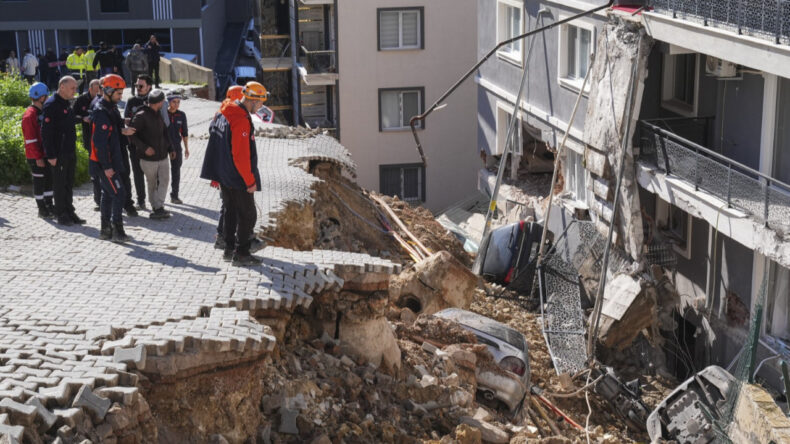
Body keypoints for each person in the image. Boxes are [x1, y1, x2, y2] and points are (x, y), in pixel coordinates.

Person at [200, 81, 267, 266]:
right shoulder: (240, 120)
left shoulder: (224, 112)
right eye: (260, 103)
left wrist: (217, 173)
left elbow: (215, 139)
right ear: (252, 100)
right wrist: (250, 181)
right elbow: (240, 155)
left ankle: (229, 250)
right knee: (248, 214)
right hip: (237, 176)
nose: (260, 107)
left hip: (224, 173)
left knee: (230, 211)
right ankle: (242, 253)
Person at [90, 74, 137, 243]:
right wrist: (107, 166)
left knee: (108, 194)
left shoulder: (111, 108)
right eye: (118, 93)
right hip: (104, 163)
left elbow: (113, 129)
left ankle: (105, 230)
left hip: (111, 160)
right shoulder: (101, 112)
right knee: (119, 193)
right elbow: (100, 143)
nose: (121, 96)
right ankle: (118, 231)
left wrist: (122, 128)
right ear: (108, 91)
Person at [42, 76, 85, 226]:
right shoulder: (51, 105)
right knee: (59, 184)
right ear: (62, 87)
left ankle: (69, 211)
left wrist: (82, 119)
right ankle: (61, 213)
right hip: (58, 152)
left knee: (68, 182)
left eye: (75, 88)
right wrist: (50, 155)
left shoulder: (66, 102)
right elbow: (46, 132)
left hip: (69, 150)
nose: (75, 91)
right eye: (72, 88)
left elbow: (68, 121)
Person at [129, 89, 174, 219]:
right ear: (158, 102)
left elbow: (165, 132)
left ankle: (158, 206)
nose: (164, 103)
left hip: (163, 156)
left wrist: (171, 149)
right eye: (163, 101)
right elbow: (131, 135)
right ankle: (156, 208)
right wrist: (144, 148)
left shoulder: (158, 113)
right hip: (148, 159)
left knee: (165, 180)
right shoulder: (141, 115)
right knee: (152, 183)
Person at [212, 85, 244, 250]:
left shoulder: (220, 113)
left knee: (227, 205)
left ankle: (223, 236)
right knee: (229, 206)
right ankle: (222, 237)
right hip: (229, 169)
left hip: (221, 167)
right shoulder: (231, 115)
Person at [21, 82, 55, 218]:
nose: (48, 98)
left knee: (48, 180)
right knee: (39, 181)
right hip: (36, 156)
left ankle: (49, 205)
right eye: (47, 96)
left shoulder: (41, 111)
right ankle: (41, 208)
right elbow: (30, 140)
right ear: (41, 98)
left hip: (44, 153)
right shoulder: (30, 115)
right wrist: (38, 157)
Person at [73, 78, 104, 211]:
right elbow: (72, 116)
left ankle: (105, 198)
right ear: (90, 89)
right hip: (89, 138)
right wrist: (83, 119)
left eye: (100, 90)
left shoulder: (104, 100)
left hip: (102, 140)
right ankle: (99, 200)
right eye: (96, 91)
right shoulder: (81, 100)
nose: (98, 93)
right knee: (95, 172)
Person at [124, 74, 154, 209]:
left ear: (149, 87)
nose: (138, 88)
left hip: (151, 144)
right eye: (136, 85)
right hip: (134, 144)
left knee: (153, 174)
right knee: (137, 173)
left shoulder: (154, 100)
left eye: (141, 86)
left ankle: (155, 201)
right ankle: (140, 200)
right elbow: (126, 119)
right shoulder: (131, 101)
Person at [166, 94, 189, 204]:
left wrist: (186, 148)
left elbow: (184, 133)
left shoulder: (181, 115)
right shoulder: (163, 113)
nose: (176, 104)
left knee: (176, 171)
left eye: (178, 102)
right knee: (161, 172)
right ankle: (158, 197)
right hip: (163, 146)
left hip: (176, 146)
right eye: (174, 102)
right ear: (169, 102)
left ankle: (174, 196)